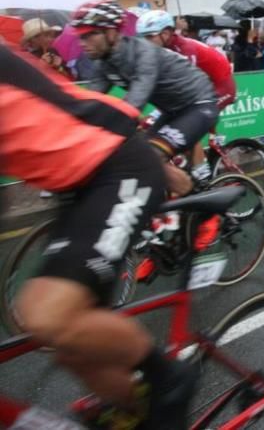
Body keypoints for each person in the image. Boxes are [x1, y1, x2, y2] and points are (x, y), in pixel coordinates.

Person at [0, 42, 195, 427]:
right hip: (79, 184)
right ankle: (133, 411)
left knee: (46, 315)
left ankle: (170, 380)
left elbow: (76, 102)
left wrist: (151, 156)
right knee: (73, 344)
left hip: (117, 168)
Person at [73, 1, 219, 198]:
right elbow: (90, 103)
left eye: (90, 34)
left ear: (111, 33)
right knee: (133, 159)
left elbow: (136, 100)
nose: (83, 43)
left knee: (150, 156)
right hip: (172, 110)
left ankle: (204, 211)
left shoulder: (144, 52)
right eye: (81, 36)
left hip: (198, 104)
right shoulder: (104, 63)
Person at [137, 9, 237, 184]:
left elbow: (186, 90)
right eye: (142, 38)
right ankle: (192, 164)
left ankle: (202, 173)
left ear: (166, 34)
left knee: (188, 122)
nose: (145, 43)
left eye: (149, 37)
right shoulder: (160, 49)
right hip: (203, 86)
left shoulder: (184, 48)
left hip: (221, 86)